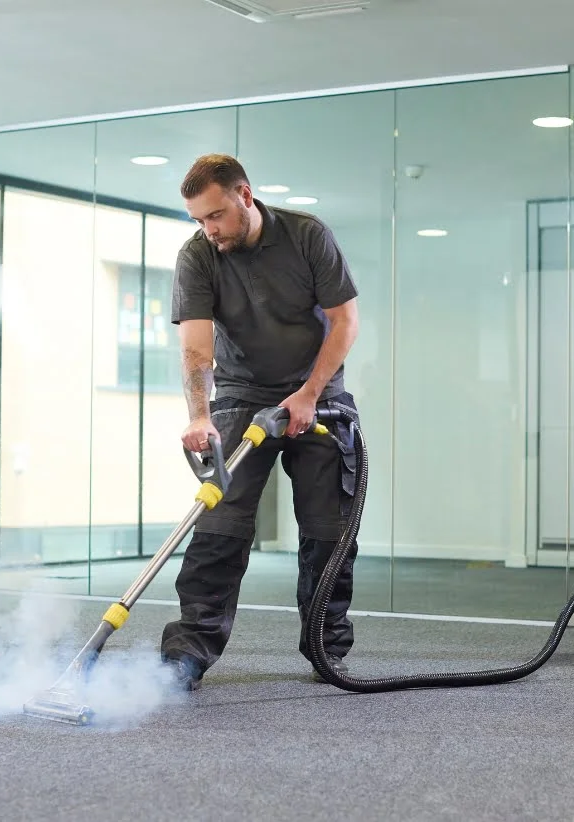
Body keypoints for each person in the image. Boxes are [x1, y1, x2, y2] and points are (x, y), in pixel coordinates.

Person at [159, 153, 362, 691]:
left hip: (318, 397)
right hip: (243, 394)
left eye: (217, 215)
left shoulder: (306, 236)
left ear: (245, 195)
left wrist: (308, 393)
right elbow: (197, 348)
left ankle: (326, 647)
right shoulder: (198, 255)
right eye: (199, 220)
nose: (210, 229)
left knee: (328, 531)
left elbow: (345, 321)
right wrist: (199, 416)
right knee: (219, 528)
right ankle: (188, 654)